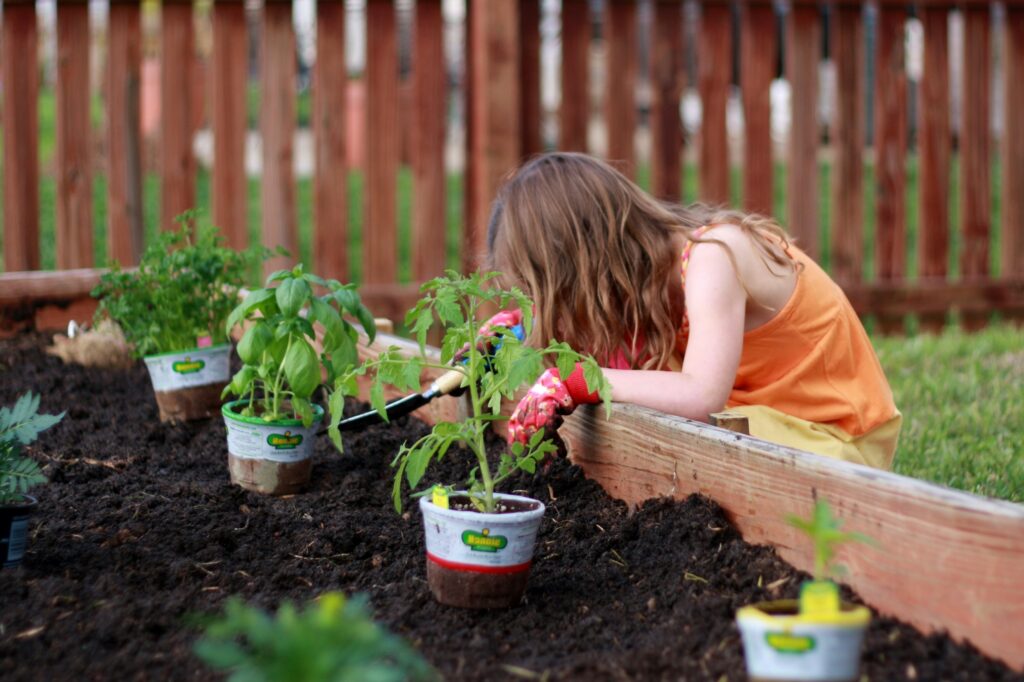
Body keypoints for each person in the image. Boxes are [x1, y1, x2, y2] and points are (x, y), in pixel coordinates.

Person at [484, 152, 901, 470]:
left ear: (588, 268)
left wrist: (576, 380)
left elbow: (701, 395)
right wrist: (519, 337)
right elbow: (619, 362)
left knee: (672, 437)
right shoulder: (644, 283)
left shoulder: (714, 257)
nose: (543, 309)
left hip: (834, 441)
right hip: (766, 426)